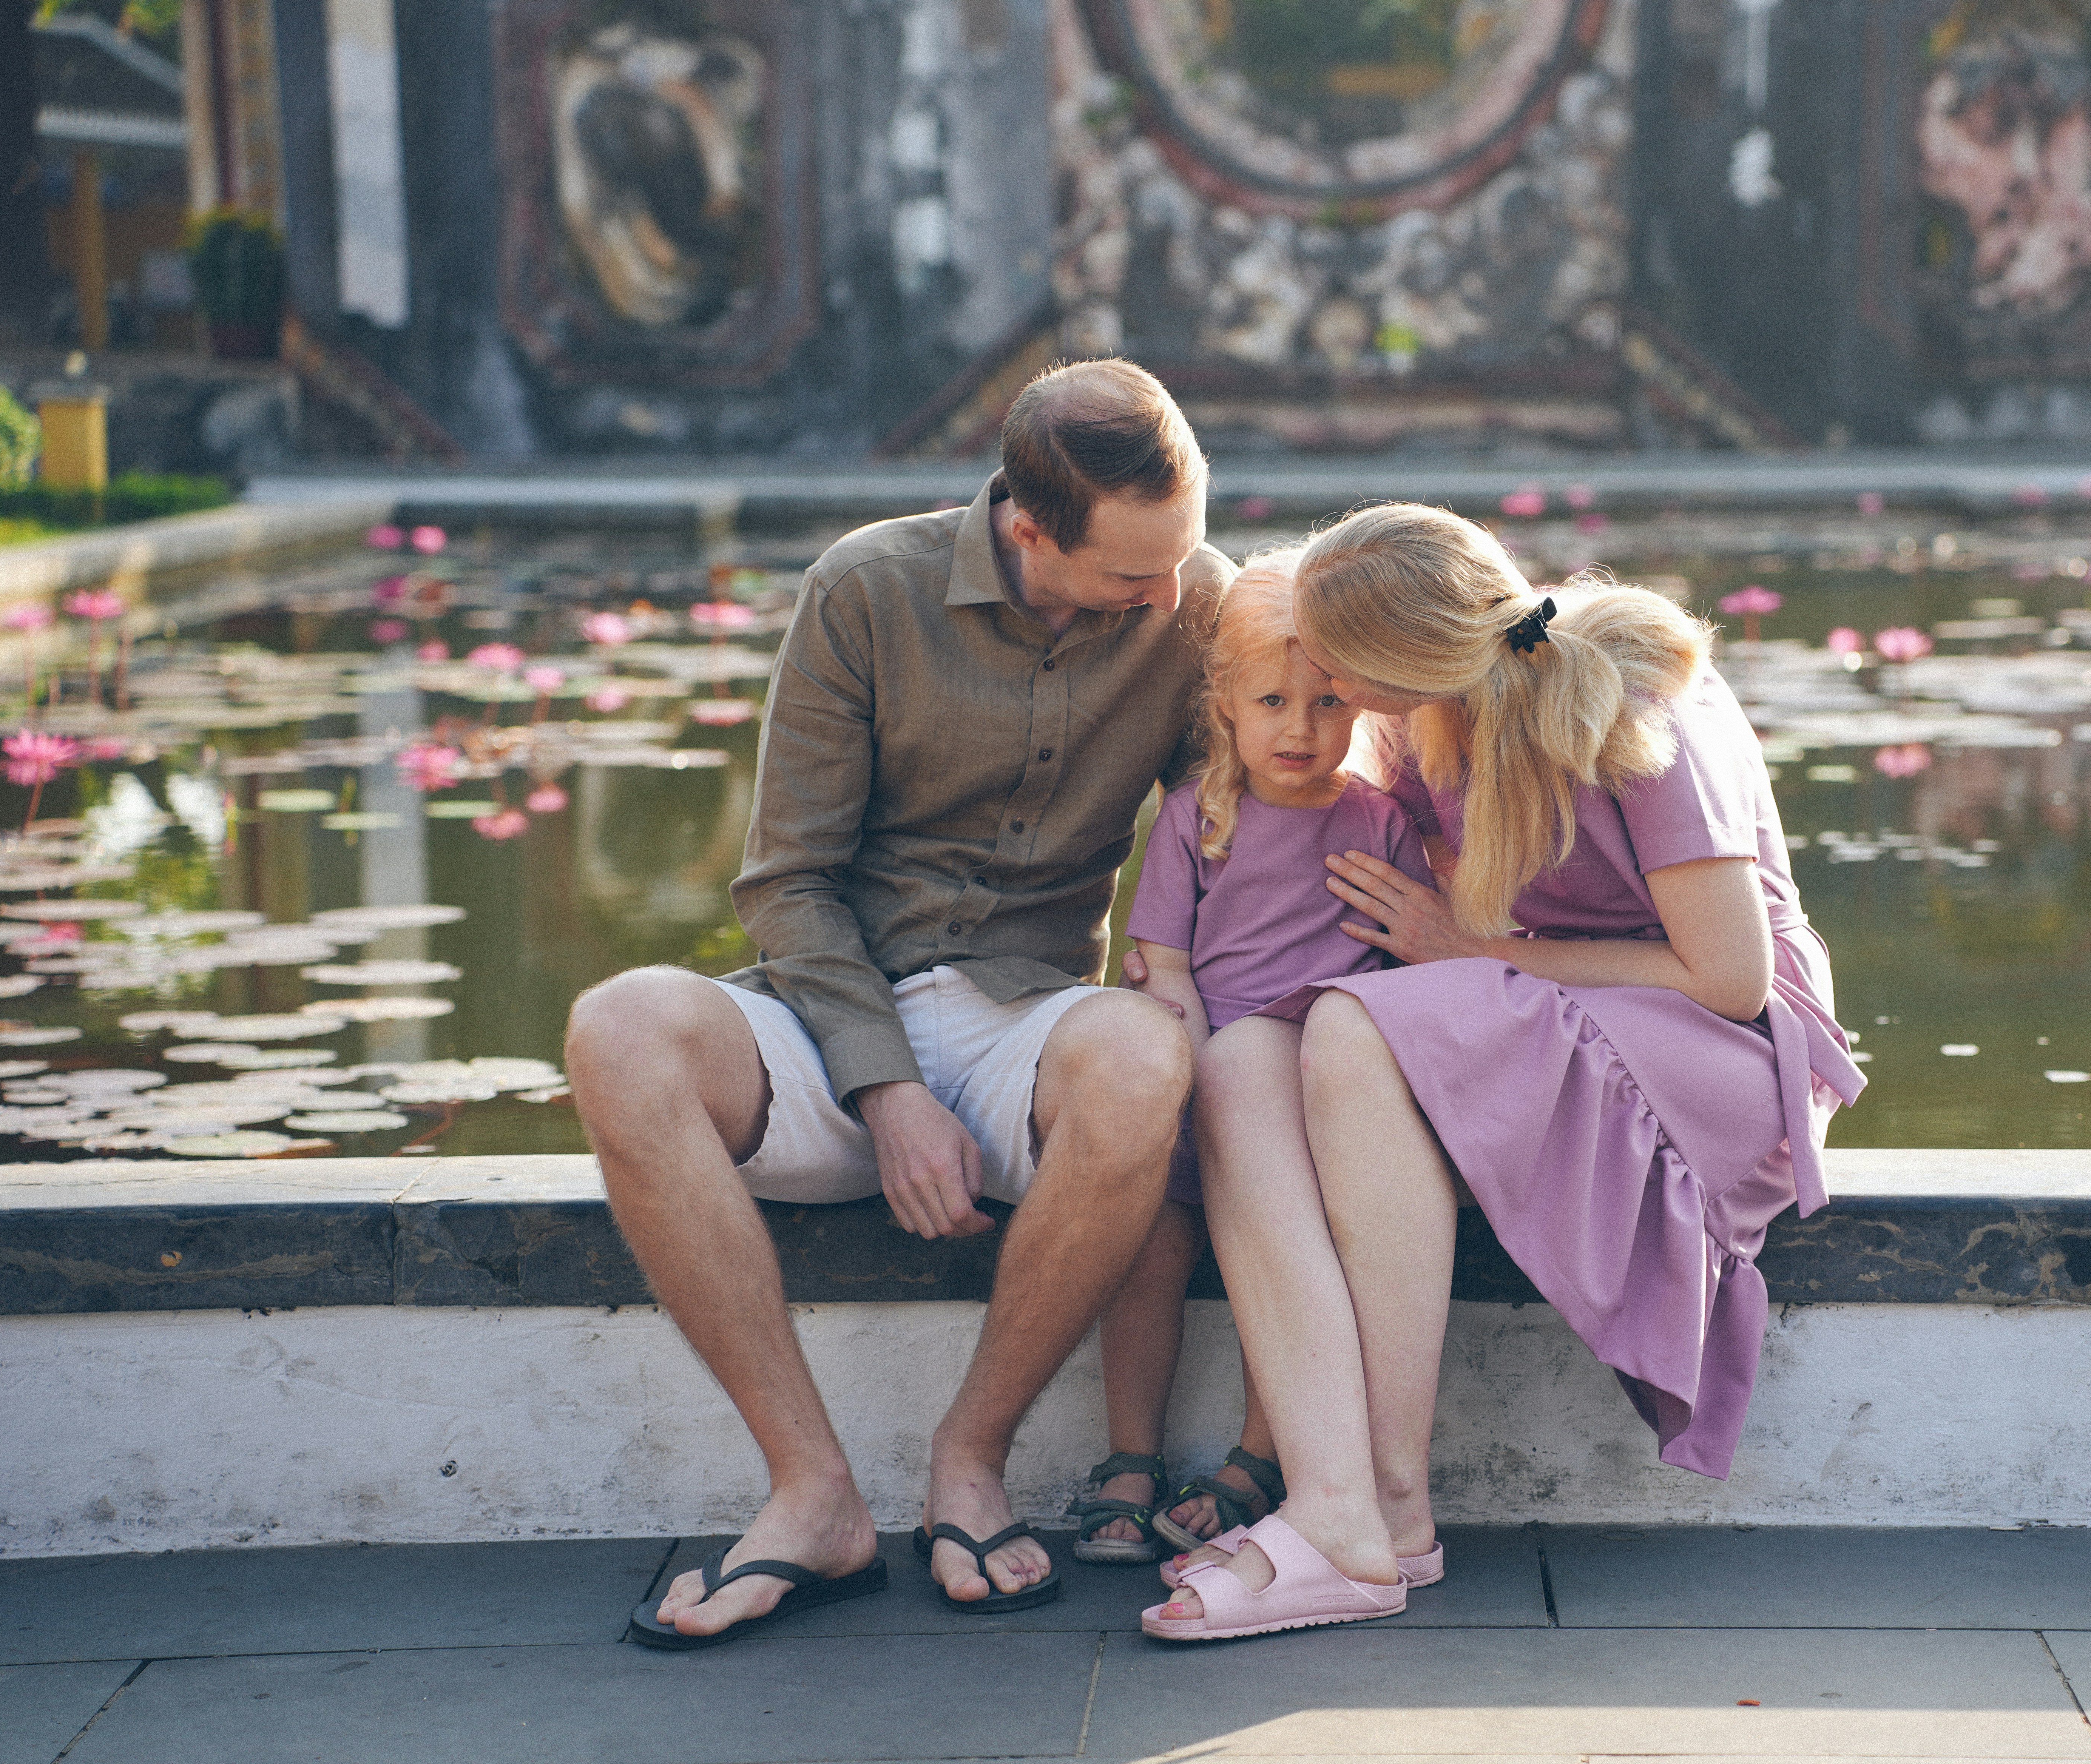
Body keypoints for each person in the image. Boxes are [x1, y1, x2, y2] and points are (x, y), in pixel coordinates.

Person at [566, 359, 1233, 1648]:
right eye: (1132, 575)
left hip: (1030, 1021)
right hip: (830, 1019)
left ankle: (970, 1458)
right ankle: (813, 1494)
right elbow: (790, 881)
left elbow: (1241, 836)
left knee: (1143, 1060)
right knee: (619, 1026)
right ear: (1028, 528)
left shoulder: (1194, 600)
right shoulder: (866, 588)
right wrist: (887, 1090)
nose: (1167, 597)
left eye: (1181, 559)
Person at [1138, 503, 1864, 1641]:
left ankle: (1378, 1510)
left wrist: (1469, 950)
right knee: (1243, 1065)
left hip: (1719, 1053)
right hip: (1551, 1006)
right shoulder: (1421, 727)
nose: (1317, 682)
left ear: (1394, 665)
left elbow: (1730, 978)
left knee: (1349, 1031)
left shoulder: (1634, 705)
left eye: (1331, 665)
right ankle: (1344, 1505)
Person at [1075, 550, 1434, 1567]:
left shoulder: (1379, 823)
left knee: (1292, 1257)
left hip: (1308, 1101)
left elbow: (1402, 971)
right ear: (1225, 702)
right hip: (1198, 1076)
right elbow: (1166, 965)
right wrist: (1189, 1084)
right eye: (1273, 701)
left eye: (1329, 705)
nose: (1300, 730)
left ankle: (1256, 1460)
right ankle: (1131, 1455)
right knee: (1149, 1248)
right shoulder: (1198, 819)